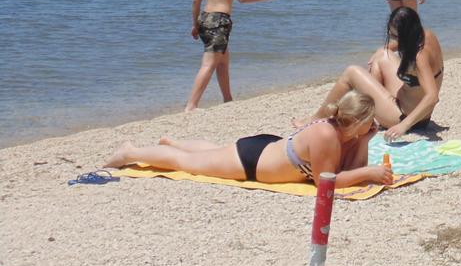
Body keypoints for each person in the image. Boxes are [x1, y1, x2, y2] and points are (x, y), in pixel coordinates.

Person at [106, 91, 393, 187]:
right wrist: (370, 172)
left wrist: (365, 142)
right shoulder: (326, 135)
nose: (375, 124)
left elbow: (351, 169)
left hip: (268, 149)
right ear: (357, 121)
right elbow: (325, 182)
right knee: (187, 163)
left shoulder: (345, 133)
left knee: (215, 152)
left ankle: (174, 142)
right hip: (253, 161)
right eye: (370, 122)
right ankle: (131, 152)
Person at [298, 6, 443, 140]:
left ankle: (316, 118)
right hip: (409, 104)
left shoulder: (419, 57)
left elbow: (432, 97)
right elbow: (397, 45)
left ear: (405, 35)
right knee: (382, 54)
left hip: (405, 117)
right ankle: (369, 115)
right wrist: (380, 52)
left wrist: (403, 126)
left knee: (351, 72)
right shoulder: (427, 35)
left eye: (394, 36)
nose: (392, 38)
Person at [185, 0, 277, 112]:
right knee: (209, 63)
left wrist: (195, 24)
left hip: (205, 18)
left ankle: (228, 100)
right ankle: (191, 105)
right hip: (219, 20)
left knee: (223, 61)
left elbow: (196, 0)